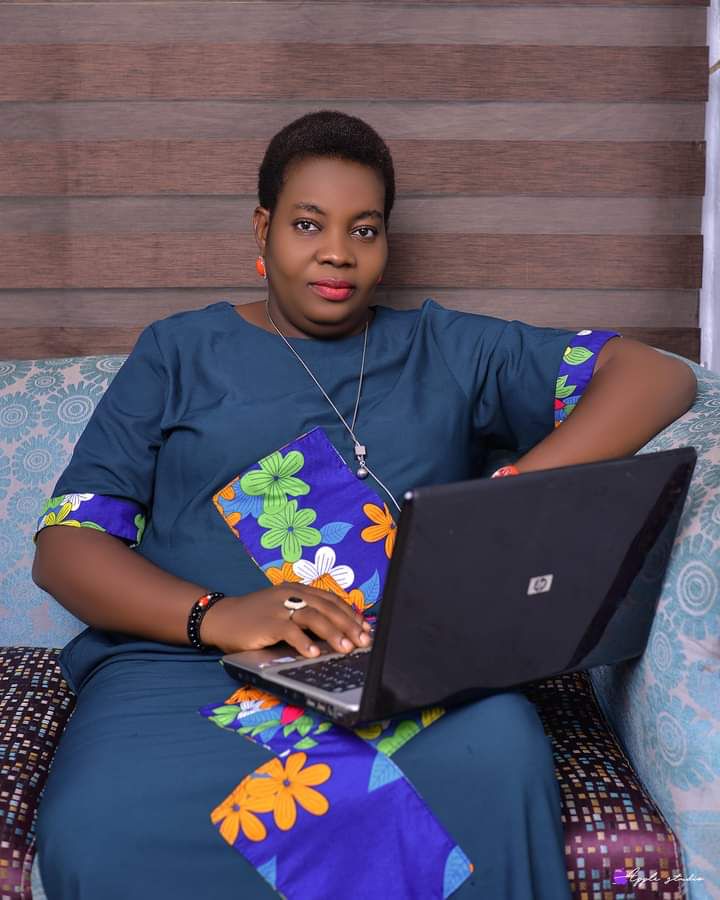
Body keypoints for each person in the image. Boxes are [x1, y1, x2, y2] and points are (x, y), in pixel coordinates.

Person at [31, 109, 697, 900]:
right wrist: (220, 615)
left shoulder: (446, 348)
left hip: (400, 670)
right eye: (308, 224)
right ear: (263, 228)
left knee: (496, 758)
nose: (338, 252)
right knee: (100, 822)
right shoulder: (177, 352)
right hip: (183, 666)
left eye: (366, 229)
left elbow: (656, 376)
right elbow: (66, 546)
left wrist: (517, 489)